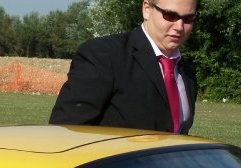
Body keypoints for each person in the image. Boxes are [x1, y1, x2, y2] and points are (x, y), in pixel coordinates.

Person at [50, 0, 199, 134]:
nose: (179, 27)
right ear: (146, 8)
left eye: (188, 18)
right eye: (170, 15)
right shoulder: (104, 55)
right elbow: (65, 132)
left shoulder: (187, 74)